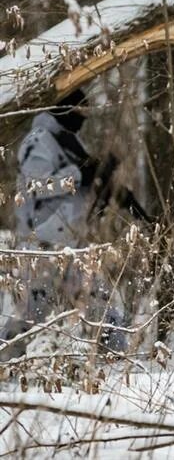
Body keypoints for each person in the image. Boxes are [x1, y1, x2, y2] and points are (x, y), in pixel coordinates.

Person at [1, 90, 127, 358]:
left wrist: (104, 186)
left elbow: (76, 194)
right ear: (63, 110)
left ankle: (118, 368)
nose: (82, 119)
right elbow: (35, 185)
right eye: (78, 113)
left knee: (102, 307)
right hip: (41, 248)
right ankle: (5, 366)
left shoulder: (68, 141)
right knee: (28, 318)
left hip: (71, 245)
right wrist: (79, 173)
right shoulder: (40, 141)